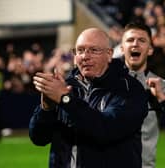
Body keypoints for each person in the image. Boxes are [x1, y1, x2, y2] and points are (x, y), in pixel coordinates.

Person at [29, 28, 148, 168]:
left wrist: (65, 100)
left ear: (109, 54)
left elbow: (106, 129)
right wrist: (46, 108)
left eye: (93, 50)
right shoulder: (66, 87)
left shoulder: (130, 89)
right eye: (80, 50)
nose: (85, 56)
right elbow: (39, 138)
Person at [120, 21, 165, 168]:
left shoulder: (161, 85)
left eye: (142, 40)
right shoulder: (106, 84)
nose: (135, 44)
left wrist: (162, 99)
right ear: (122, 48)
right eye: (130, 40)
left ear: (150, 49)